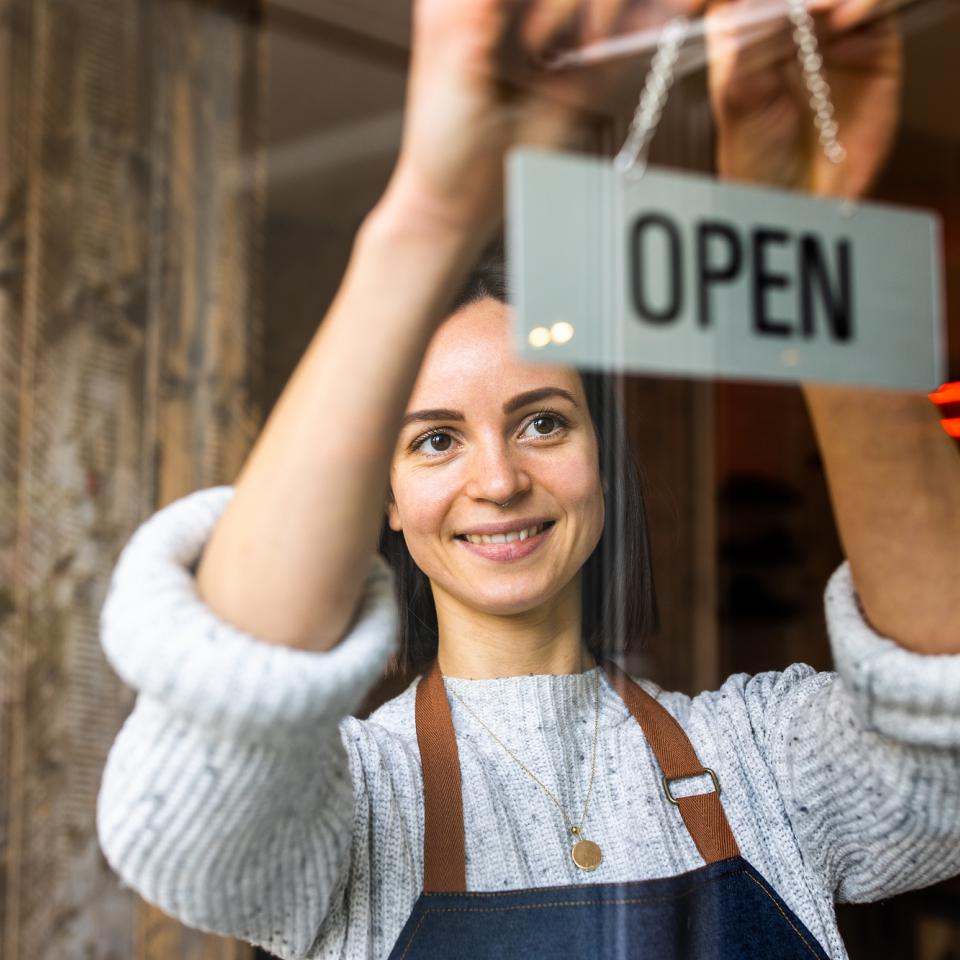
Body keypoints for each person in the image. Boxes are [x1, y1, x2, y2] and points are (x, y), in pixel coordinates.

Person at [96, 1, 960, 958]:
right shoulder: (353, 803)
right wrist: (432, 210)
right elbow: (187, 812)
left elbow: (944, 739)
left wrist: (806, 244)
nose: (499, 479)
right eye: (433, 441)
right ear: (380, 498)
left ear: (601, 456)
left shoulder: (764, 757)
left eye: (542, 422)